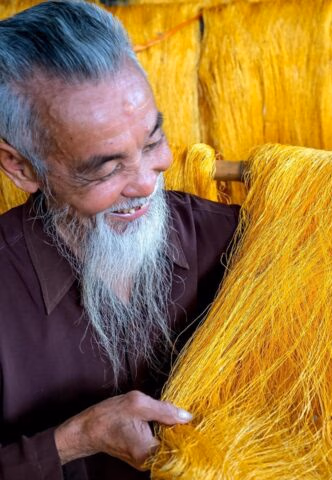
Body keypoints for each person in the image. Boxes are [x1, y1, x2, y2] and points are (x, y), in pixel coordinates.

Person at [0, 1, 239, 479]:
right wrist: (73, 440)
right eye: (107, 168)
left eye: (152, 143)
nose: (146, 183)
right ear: (22, 167)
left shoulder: (234, 243)